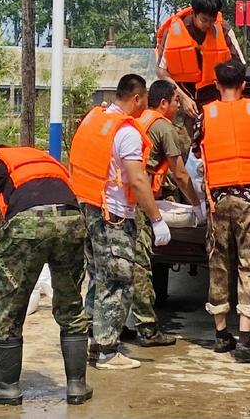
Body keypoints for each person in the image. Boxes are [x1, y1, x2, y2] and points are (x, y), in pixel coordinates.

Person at [0, 145, 92, 406]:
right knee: (71, 303)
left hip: (28, 223)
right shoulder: (44, 159)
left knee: (9, 307)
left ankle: (5, 386)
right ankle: (77, 385)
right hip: (72, 219)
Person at [69, 74, 172, 370]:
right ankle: (107, 351)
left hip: (89, 207)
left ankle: (92, 340)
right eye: (144, 102)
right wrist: (156, 218)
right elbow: (138, 180)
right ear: (137, 98)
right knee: (117, 281)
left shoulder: (95, 119)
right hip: (113, 216)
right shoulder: (126, 131)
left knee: (98, 278)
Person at [191, 59, 250, 363]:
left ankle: (222, 335)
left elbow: (197, 150)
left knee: (219, 263)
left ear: (217, 85)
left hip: (218, 200)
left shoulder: (205, 116)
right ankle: (246, 342)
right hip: (249, 201)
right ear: (244, 85)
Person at [131, 80, 207, 346]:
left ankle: (109, 326)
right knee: (141, 265)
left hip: (123, 197)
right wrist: (198, 205)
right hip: (138, 198)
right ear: (163, 103)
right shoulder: (164, 127)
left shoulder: (140, 120)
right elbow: (180, 174)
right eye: (176, 101)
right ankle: (147, 329)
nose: (178, 105)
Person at [156, 0, 247, 123]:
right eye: (204, 20)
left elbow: (240, 67)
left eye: (212, 20)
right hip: (183, 97)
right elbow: (161, 71)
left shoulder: (224, 29)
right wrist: (183, 98)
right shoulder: (173, 31)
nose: (208, 25)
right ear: (193, 13)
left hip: (215, 98)